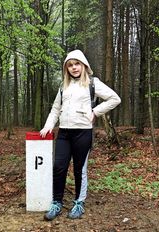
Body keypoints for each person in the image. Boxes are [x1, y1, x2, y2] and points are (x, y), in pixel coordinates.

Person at [39, 49, 121, 220]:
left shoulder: (92, 83)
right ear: (66, 69)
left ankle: (79, 203)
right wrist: (48, 126)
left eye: (77, 64)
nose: (74, 68)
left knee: (79, 169)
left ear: (84, 65)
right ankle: (57, 202)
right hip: (64, 133)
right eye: (70, 65)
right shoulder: (64, 86)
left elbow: (114, 98)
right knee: (59, 167)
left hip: (82, 133)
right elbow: (55, 109)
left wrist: (95, 112)